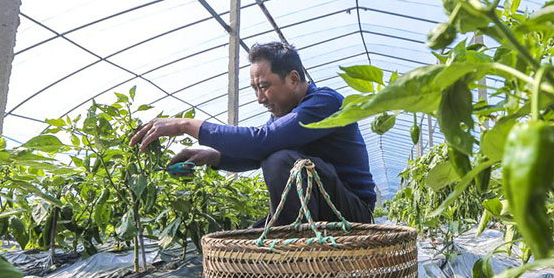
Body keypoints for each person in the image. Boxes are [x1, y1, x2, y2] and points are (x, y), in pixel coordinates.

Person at [130, 42, 376, 226]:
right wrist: (211, 156)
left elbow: (263, 142)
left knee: (280, 159)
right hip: (318, 208)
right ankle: (284, 241)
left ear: (293, 78)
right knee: (243, 242)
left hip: (352, 213)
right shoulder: (285, 115)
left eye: (264, 87)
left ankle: (287, 251)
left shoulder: (325, 102)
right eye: (255, 89)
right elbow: (257, 153)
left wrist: (186, 125)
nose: (260, 99)